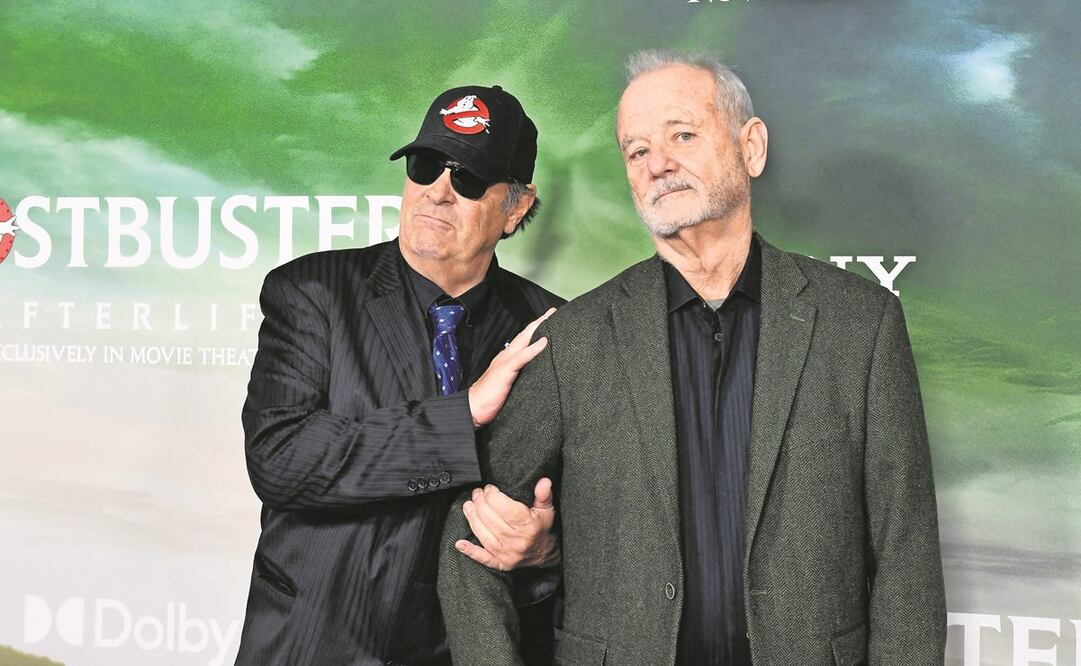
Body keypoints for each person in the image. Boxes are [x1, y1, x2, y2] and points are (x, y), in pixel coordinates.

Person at [439, 50, 946, 665]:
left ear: (751, 148)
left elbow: (906, 554)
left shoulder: (860, 324)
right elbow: (468, 537)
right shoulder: (573, 339)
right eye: (637, 151)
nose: (659, 164)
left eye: (682, 135)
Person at [235, 84, 565, 665]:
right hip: (311, 646)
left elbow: (597, 512)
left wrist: (546, 552)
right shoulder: (312, 292)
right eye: (425, 165)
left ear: (515, 208)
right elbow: (280, 458)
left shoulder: (554, 331)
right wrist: (464, 415)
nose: (438, 191)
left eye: (468, 178)